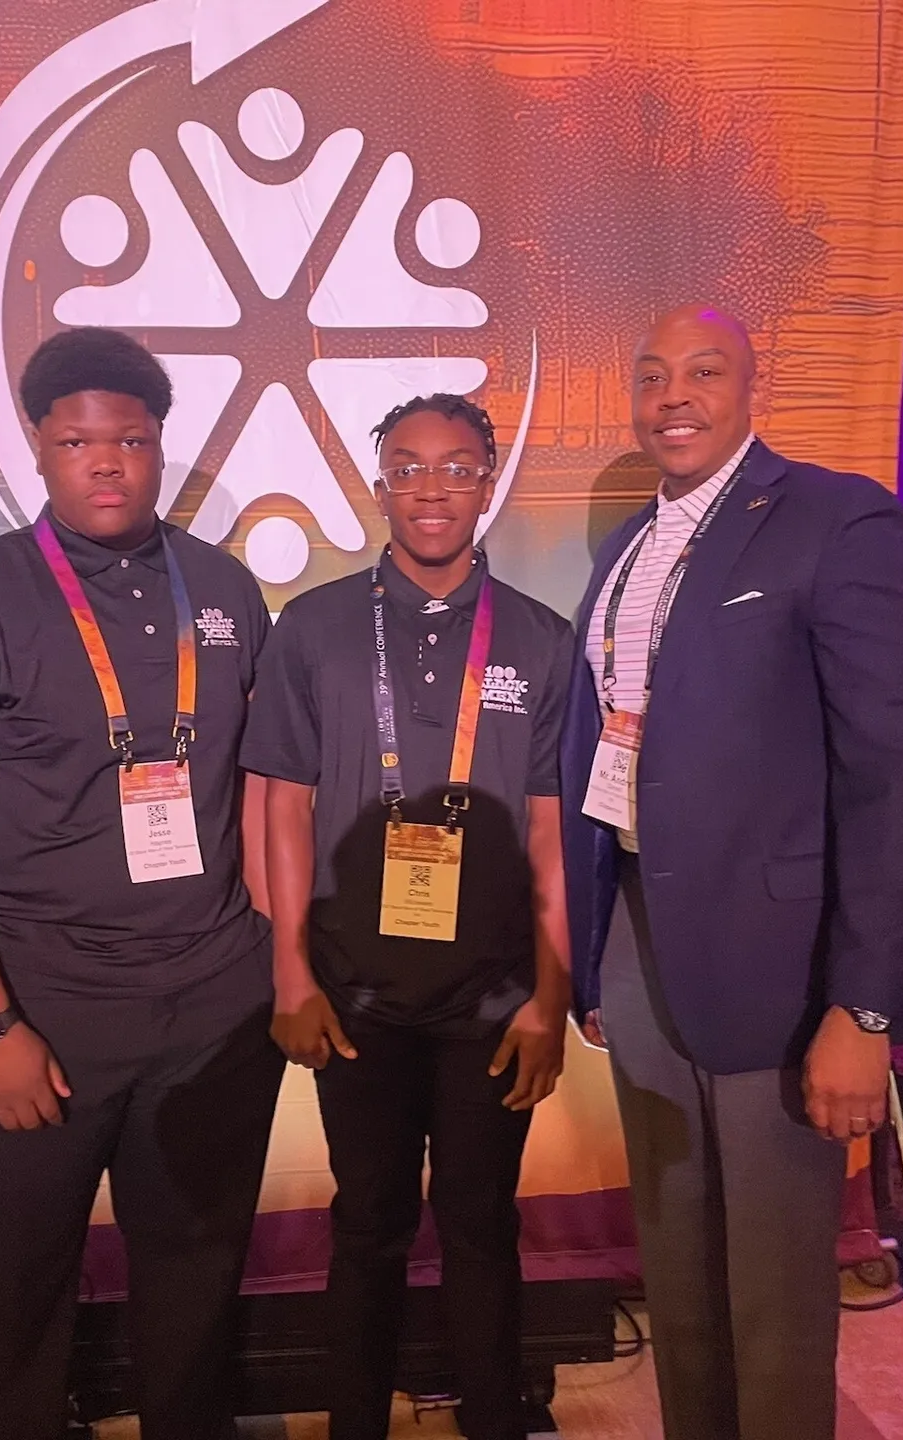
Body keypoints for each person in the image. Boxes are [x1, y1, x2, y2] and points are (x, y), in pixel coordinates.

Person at [0, 327, 285, 1440]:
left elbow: (261, 790)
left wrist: (274, 971)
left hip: (211, 1009)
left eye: (131, 441)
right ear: (40, 451)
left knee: (197, 1278)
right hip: (38, 1007)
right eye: (77, 442)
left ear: (162, 450)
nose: (106, 462)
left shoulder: (225, 590)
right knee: (16, 1283)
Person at [559, 306, 903, 1440]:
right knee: (678, 1265)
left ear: (751, 388)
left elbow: (896, 773)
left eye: (704, 370)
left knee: (774, 1293)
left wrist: (865, 1005)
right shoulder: (631, 546)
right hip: (642, 943)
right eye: (652, 373)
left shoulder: (836, 519)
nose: (673, 393)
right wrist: (597, 952)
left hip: (781, 969)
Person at [244, 395, 573, 1440]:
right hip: (355, 995)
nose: (432, 488)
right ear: (378, 484)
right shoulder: (315, 627)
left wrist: (550, 1000)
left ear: (488, 484)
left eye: (459, 467)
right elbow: (280, 808)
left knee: (482, 1226)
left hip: (494, 996)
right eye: (408, 467)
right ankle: (355, 1422)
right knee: (368, 1222)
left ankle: (493, 1420)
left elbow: (555, 835)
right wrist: (291, 974)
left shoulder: (542, 640)